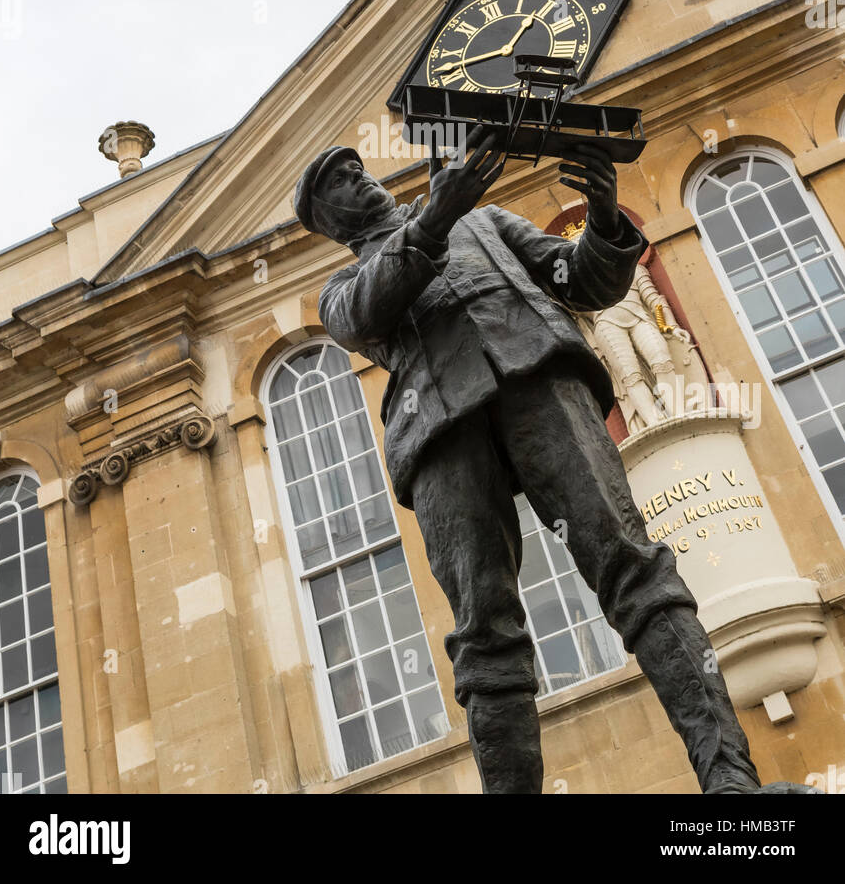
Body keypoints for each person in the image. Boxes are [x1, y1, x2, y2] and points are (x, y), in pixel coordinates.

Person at [293, 129, 800, 794]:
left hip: (541, 378)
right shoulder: (344, 285)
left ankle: (732, 785)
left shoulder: (485, 220)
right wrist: (441, 213)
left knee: (635, 569)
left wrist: (606, 216)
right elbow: (369, 312)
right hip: (440, 428)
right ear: (328, 222)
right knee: (485, 631)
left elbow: (581, 280)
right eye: (335, 184)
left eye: (353, 168)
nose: (354, 180)